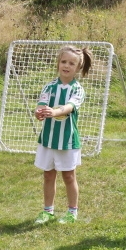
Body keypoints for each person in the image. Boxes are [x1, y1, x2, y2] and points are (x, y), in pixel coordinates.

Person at [32, 45, 92, 225]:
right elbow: (41, 105)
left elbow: (70, 107)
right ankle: (47, 211)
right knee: (48, 175)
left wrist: (55, 112)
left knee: (68, 176)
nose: (66, 66)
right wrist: (39, 113)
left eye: (71, 63)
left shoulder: (77, 89)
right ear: (58, 63)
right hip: (48, 139)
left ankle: (72, 212)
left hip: (67, 141)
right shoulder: (49, 87)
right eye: (64, 61)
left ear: (78, 68)